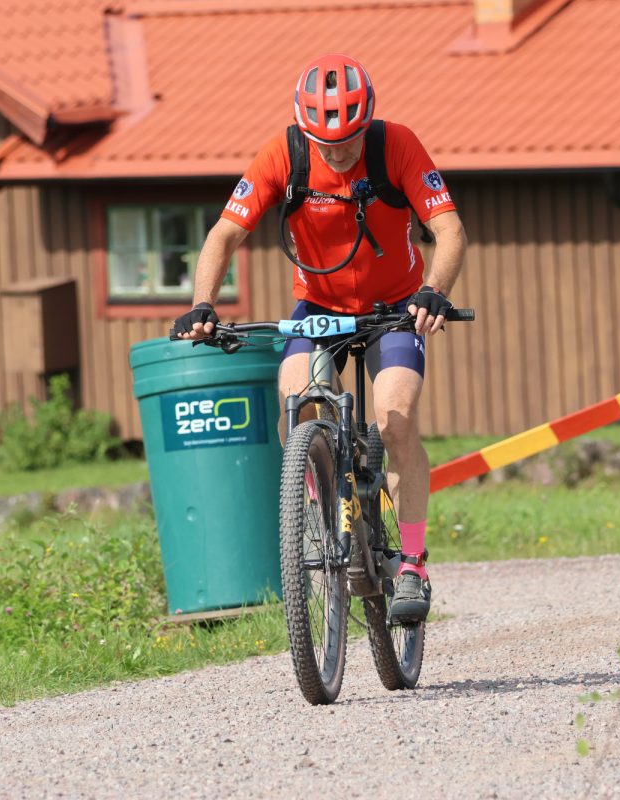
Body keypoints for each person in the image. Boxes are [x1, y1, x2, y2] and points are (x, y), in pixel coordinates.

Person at [173, 53, 467, 623]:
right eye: (325, 142)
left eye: (348, 140)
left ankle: (412, 562)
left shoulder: (397, 145)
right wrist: (202, 304)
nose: (337, 152)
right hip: (318, 309)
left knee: (396, 417)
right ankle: (326, 511)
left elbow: (449, 229)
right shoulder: (284, 153)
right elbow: (225, 234)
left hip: (395, 307)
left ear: (367, 123)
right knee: (296, 404)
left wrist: (434, 290)